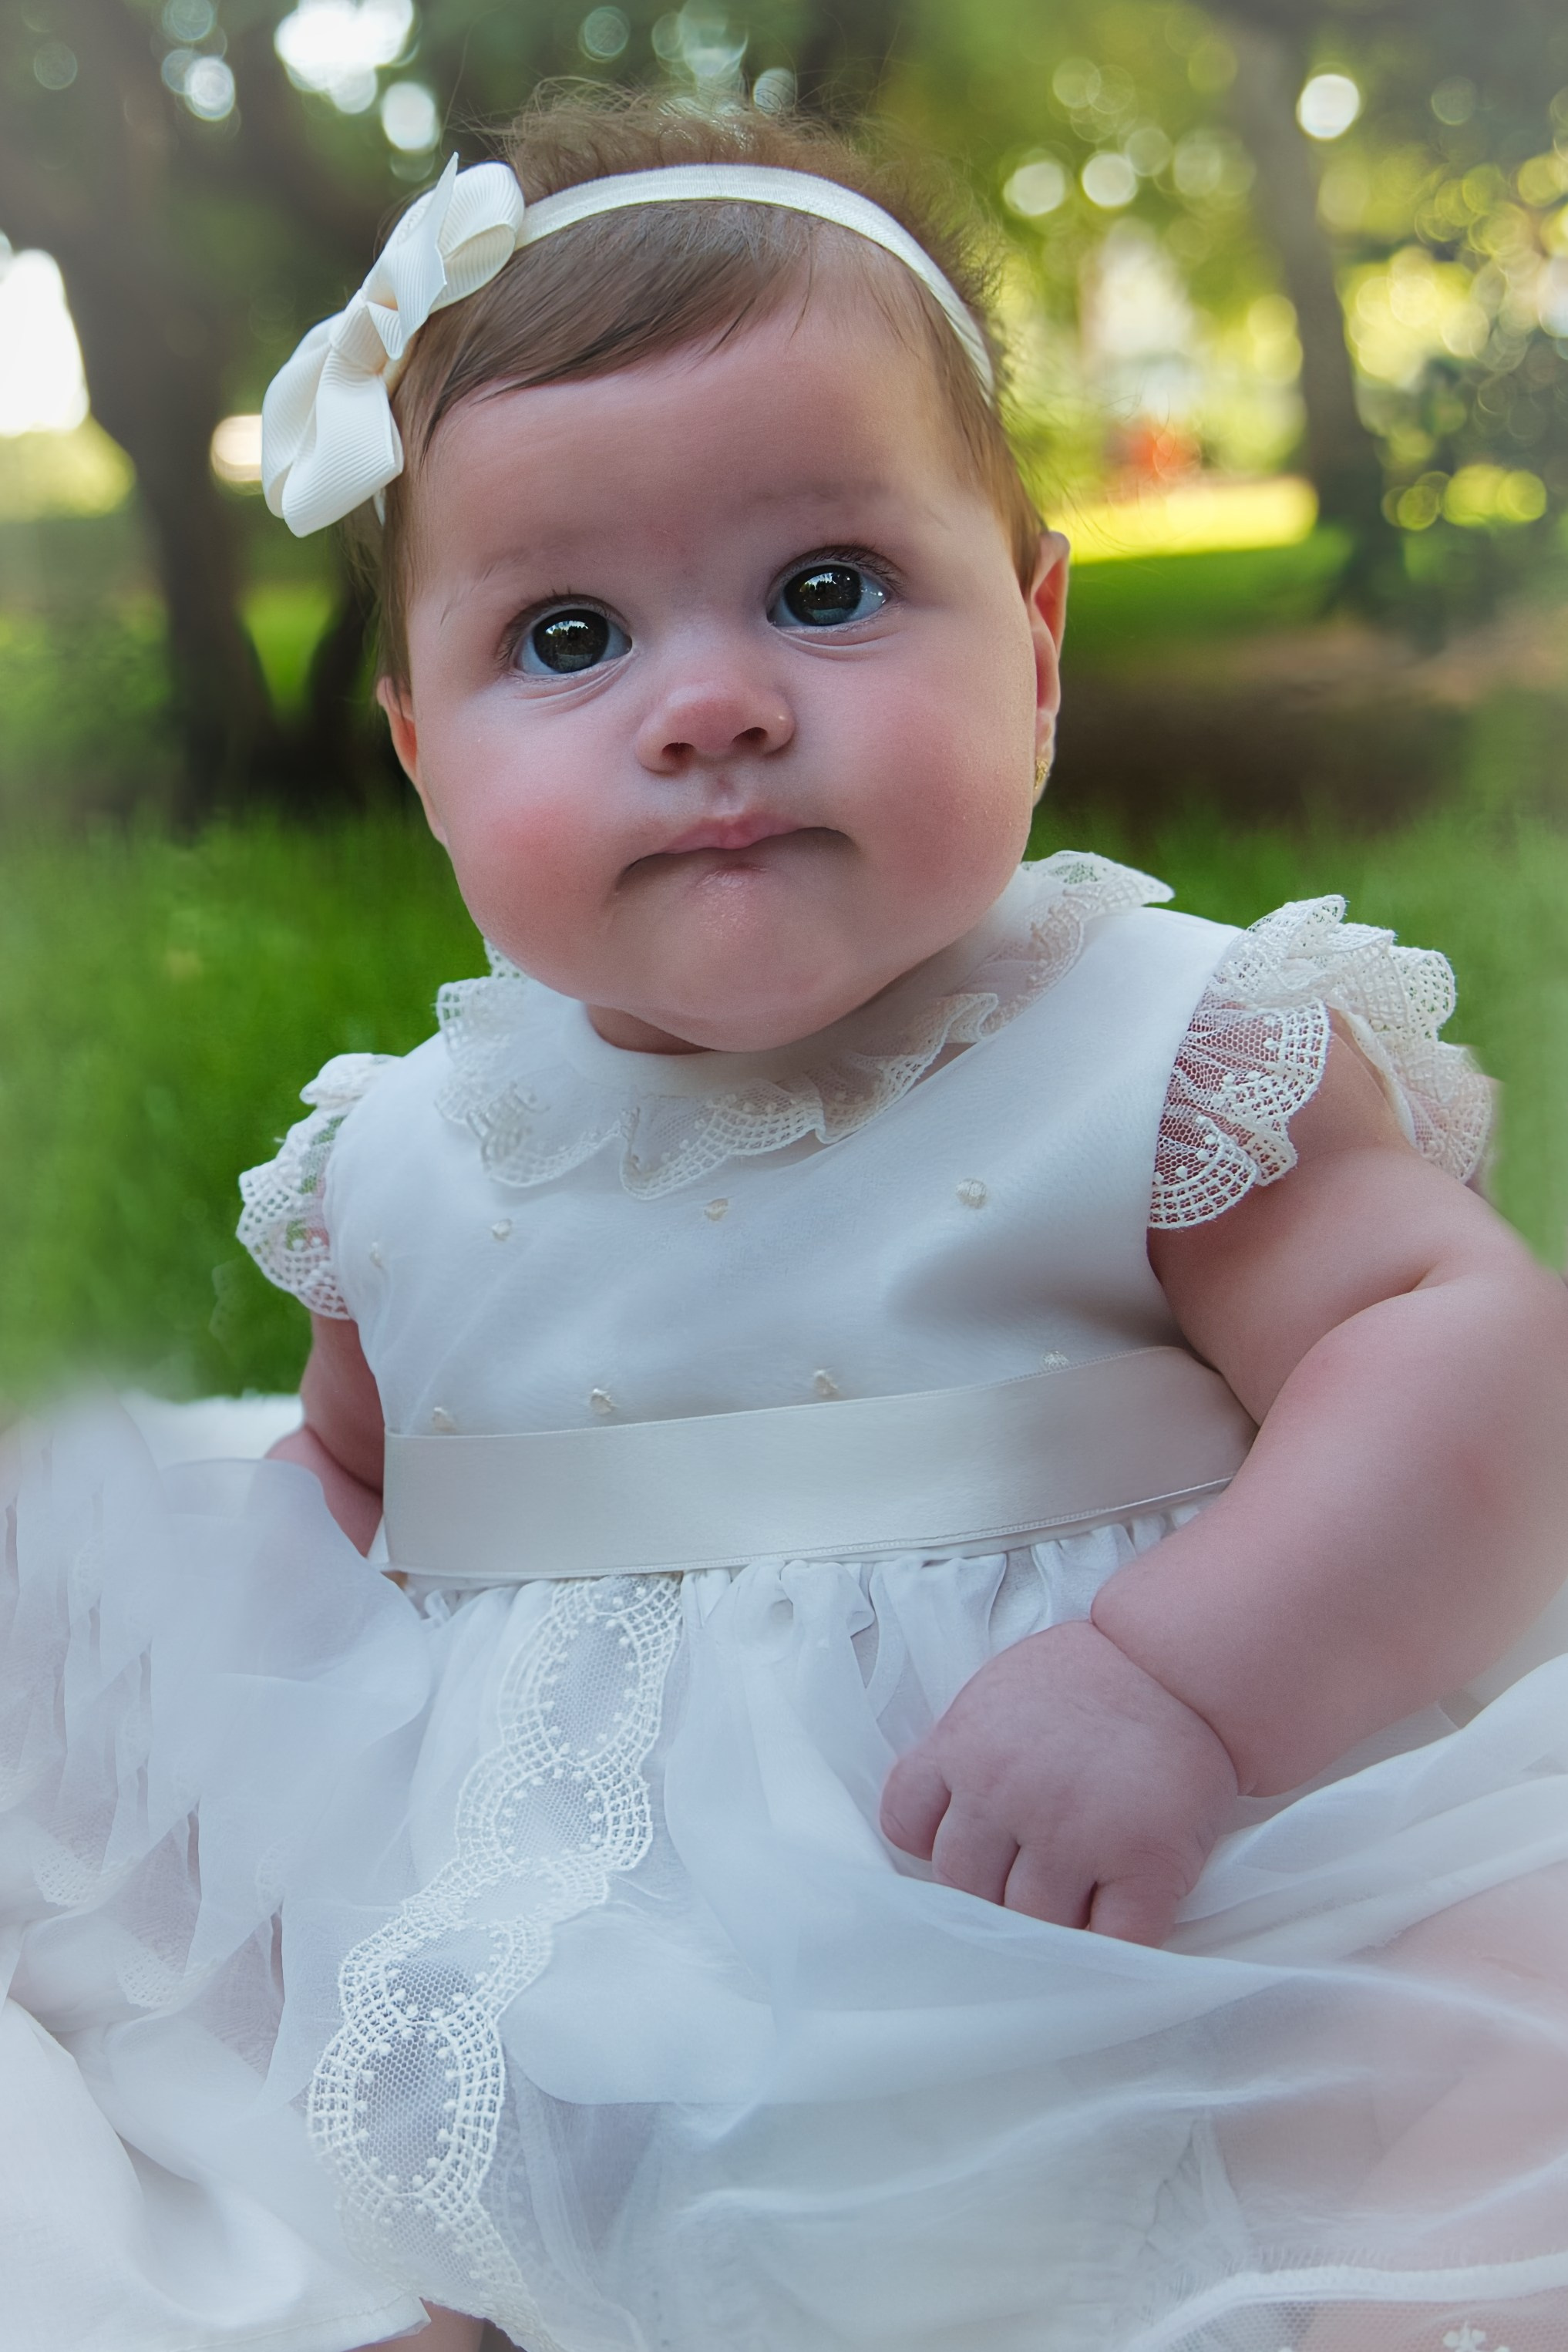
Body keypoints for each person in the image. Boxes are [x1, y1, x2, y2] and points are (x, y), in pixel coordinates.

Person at [8, 90, 1568, 2352]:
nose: (713, 703)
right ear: (423, 752)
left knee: (1465, 2055)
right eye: (563, 637)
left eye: (825, 592)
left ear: (1033, 643)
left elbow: (1461, 1353)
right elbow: (343, 1514)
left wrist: (1183, 1692)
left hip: (1103, 1910)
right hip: (618, 1973)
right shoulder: (405, 1164)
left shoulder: (1155, 1048)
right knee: (419, 2138)